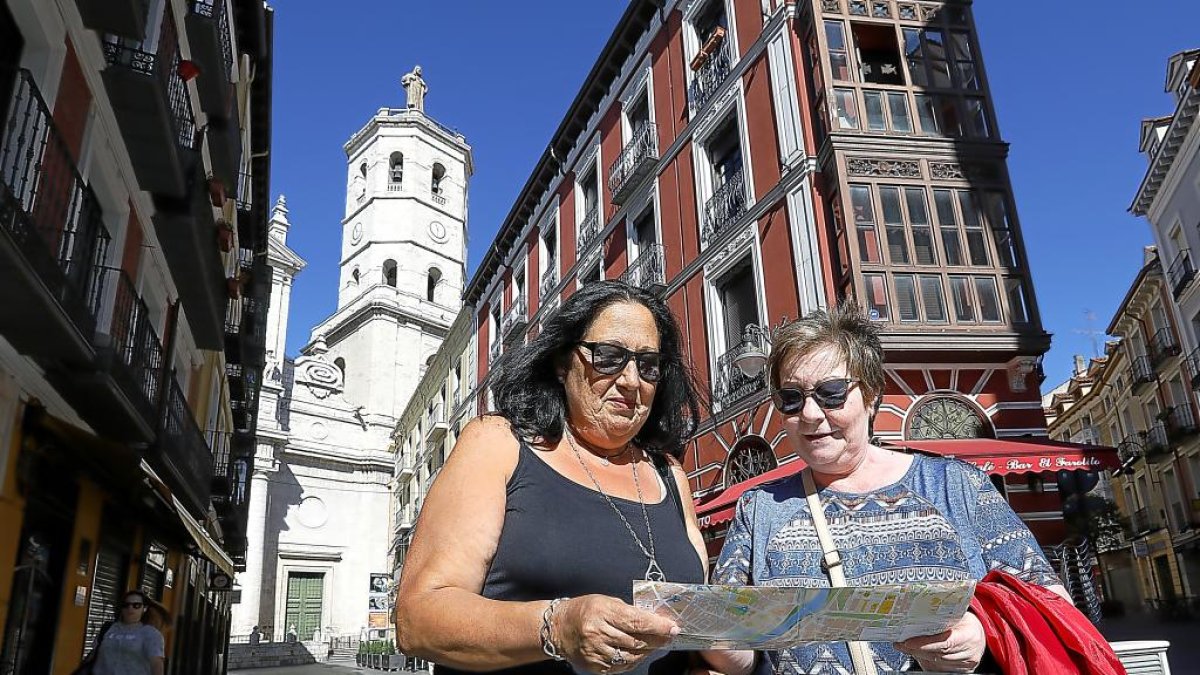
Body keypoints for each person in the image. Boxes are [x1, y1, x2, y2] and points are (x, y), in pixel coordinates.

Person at [711, 303, 1077, 675]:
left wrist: (982, 633)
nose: (809, 414)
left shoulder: (956, 487)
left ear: (870, 396)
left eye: (831, 393)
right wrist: (712, 637)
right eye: (791, 398)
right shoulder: (759, 510)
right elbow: (740, 654)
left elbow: (1052, 604)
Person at [396, 281, 739, 675]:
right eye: (608, 357)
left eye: (648, 365)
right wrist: (557, 627)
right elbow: (417, 620)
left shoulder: (670, 473)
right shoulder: (498, 443)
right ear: (562, 363)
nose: (631, 381)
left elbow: (689, 627)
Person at [90, 590, 165, 675]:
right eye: (126, 605)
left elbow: (156, 664)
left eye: (136, 605)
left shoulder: (151, 634)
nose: (130, 608)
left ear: (144, 608)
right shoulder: (108, 629)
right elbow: (93, 655)